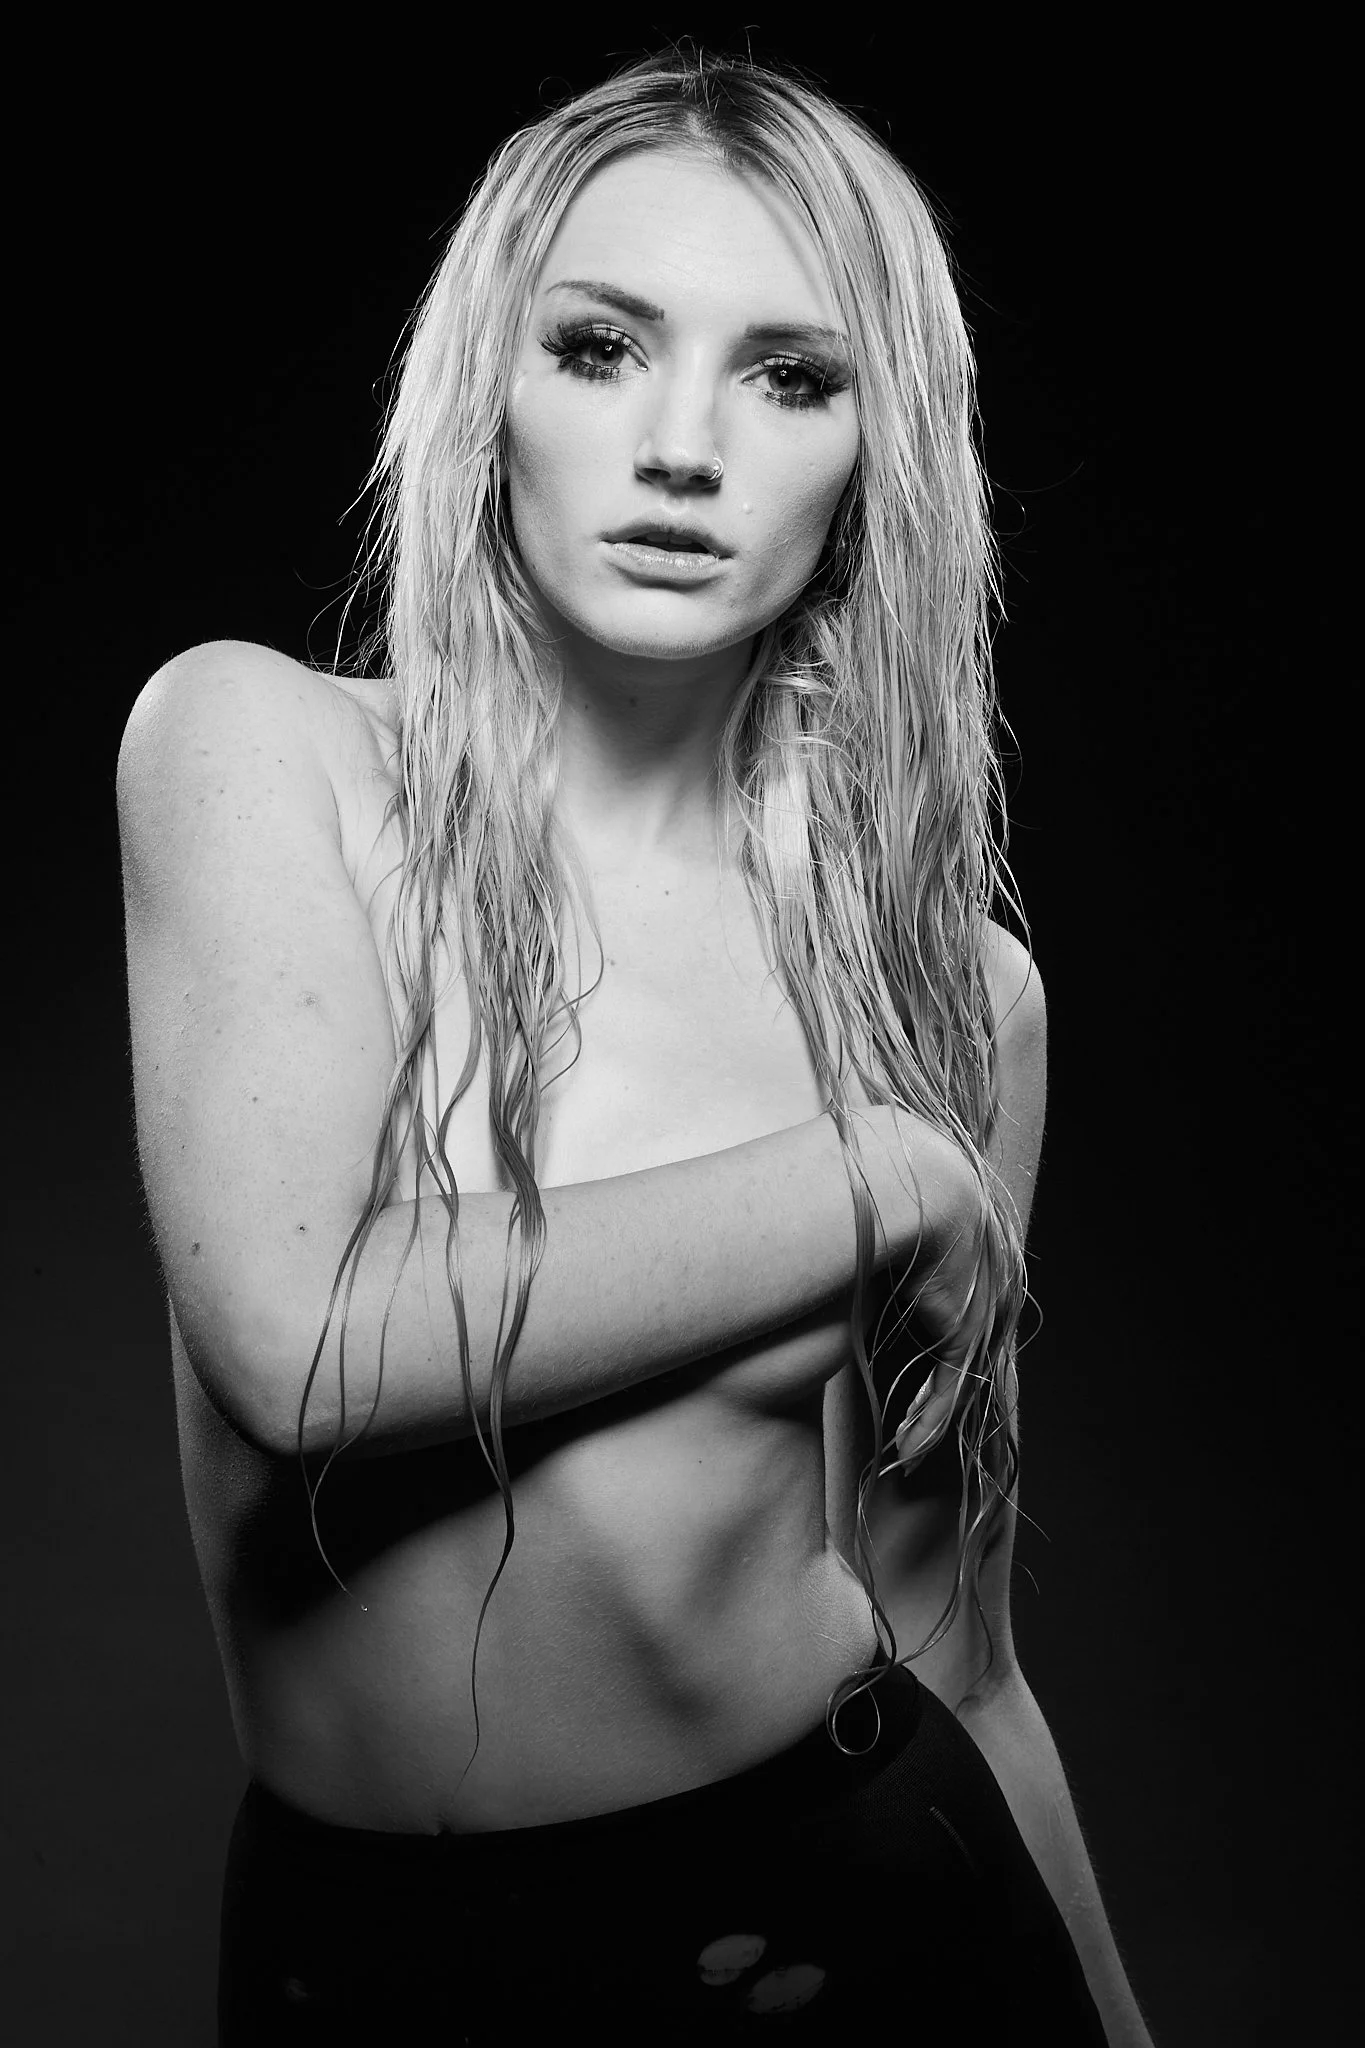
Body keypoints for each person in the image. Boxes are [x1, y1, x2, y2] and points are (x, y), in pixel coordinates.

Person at [117, 46, 1154, 2048]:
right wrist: (876, 1174)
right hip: (356, 1957)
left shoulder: (946, 991)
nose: (682, 446)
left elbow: (959, 1646)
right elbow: (302, 1345)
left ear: (877, 451)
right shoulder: (258, 750)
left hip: (852, 1908)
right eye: (600, 347)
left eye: (791, 376)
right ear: (486, 388)